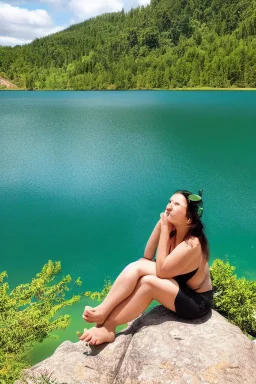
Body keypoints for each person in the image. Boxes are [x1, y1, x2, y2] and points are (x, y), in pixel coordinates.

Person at [78, 190, 213, 346]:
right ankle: (104, 314)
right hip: (179, 287)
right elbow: (147, 256)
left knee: (148, 282)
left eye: (176, 204)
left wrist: (164, 230)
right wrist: (160, 226)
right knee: (140, 271)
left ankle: (107, 324)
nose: (169, 206)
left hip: (197, 302)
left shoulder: (193, 244)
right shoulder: (172, 230)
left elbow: (161, 271)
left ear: (189, 219)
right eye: (169, 201)